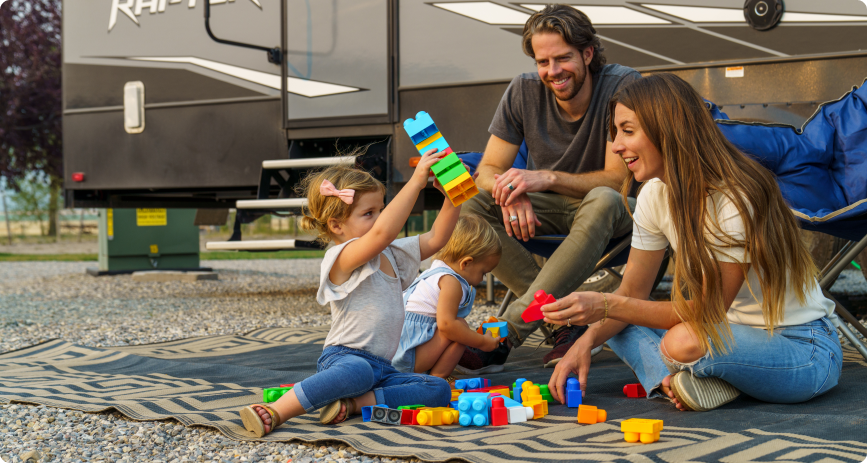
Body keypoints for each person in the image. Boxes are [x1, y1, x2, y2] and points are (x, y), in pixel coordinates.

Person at [544, 73, 843, 412]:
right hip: (725, 335)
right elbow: (630, 294)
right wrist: (583, 343)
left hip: (802, 349)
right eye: (615, 133)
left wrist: (606, 306)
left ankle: (681, 374)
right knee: (615, 322)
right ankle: (681, 382)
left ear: (667, 129)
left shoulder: (735, 198)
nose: (615, 146)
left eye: (627, 131)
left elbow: (706, 311)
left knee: (675, 338)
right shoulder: (654, 195)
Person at [458, 4, 640, 373]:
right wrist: (512, 192)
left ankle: (506, 332)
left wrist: (546, 177)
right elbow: (488, 170)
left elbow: (617, 179)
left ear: (588, 54)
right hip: (549, 210)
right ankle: (561, 321)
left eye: (563, 59)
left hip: (617, 209)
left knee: (602, 199)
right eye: (543, 62)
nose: (552, 72)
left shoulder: (622, 85)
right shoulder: (523, 91)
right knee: (471, 204)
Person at [238, 148, 458, 436]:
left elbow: (437, 238)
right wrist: (416, 181)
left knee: (438, 388)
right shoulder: (341, 257)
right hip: (344, 359)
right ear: (337, 225)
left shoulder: (390, 253)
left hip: (382, 369)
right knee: (358, 372)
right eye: (369, 213)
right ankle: (278, 410)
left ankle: (353, 405)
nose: (379, 219)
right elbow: (383, 234)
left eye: (381, 210)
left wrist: (455, 196)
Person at [392, 215, 503, 380]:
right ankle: (438, 379)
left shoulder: (434, 271)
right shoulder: (451, 282)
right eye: (483, 272)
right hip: (408, 357)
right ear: (465, 263)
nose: (482, 279)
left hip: (395, 351)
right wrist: (481, 342)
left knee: (458, 328)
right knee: (459, 327)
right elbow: (447, 326)